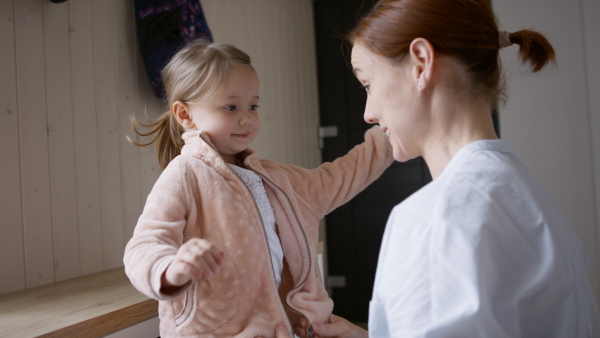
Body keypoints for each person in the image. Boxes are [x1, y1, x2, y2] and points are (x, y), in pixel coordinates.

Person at [275, 0, 600, 337]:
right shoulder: (531, 196)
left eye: (368, 84)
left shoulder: (435, 222)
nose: (367, 113)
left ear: (420, 64)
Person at [123, 39, 394, 337]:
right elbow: (143, 247)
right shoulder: (185, 175)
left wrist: (391, 132)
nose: (246, 118)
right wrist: (171, 269)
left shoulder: (279, 180)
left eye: (253, 105)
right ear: (185, 115)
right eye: (231, 107)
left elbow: (342, 175)